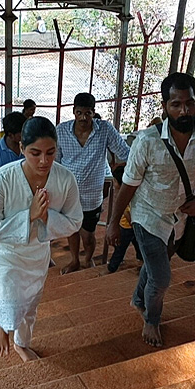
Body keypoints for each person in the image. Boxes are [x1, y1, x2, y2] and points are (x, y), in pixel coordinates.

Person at [106, 72, 195, 347]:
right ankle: (151, 320)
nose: (184, 110)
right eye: (176, 104)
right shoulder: (147, 142)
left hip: (181, 217)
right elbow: (128, 184)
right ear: (165, 106)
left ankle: (138, 299)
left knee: (153, 268)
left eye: (190, 103)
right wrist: (114, 222)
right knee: (161, 277)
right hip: (147, 216)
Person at [0, 116, 83, 362]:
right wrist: (29, 216)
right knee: (8, 290)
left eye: (50, 152)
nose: (44, 161)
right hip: (1, 249)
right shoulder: (3, 179)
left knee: (30, 304)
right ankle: (2, 324)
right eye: (35, 153)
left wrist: (45, 219)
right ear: (22, 149)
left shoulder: (65, 179)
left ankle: (21, 343)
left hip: (36, 251)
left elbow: (75, 220)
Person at [56, 92, 130, 274]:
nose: (83, 117)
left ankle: (88, 260)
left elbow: (124, 152)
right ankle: (74, 261)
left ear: (93, 113)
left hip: (92, 195)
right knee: (71, 230)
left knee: (88, 234)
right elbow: (55, 162)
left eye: (88, 113)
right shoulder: (61, 131)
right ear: (73, 112)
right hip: (67, 193)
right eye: (79, 113)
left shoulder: (104, 129)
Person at [106, 166, 142, 274]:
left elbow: (127, 213)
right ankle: (142, 260)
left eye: (115, 181)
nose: (113, 182)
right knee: (138, 243)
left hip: (126, 227)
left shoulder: (124, 197)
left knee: (120, 248)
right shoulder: (132, 193)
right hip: (131, 227)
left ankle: (112, 267)